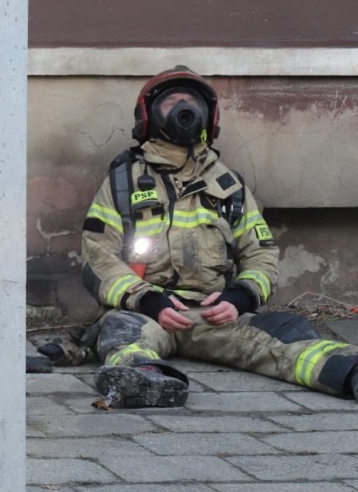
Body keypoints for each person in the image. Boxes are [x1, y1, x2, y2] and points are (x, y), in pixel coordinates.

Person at [80, 66, 358, 408]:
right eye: (172, 102)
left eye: (192, 101)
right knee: (120, 332)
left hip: (215, 316)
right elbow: (97, 257)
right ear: (148, 116)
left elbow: (262, 253)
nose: (184, 109)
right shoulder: (124, 182)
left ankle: (349, 371)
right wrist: (147, 300)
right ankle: (146, 377)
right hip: (148, 313)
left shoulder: (229, 185)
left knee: (285, 337)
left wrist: (239, 299)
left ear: (209, 119)